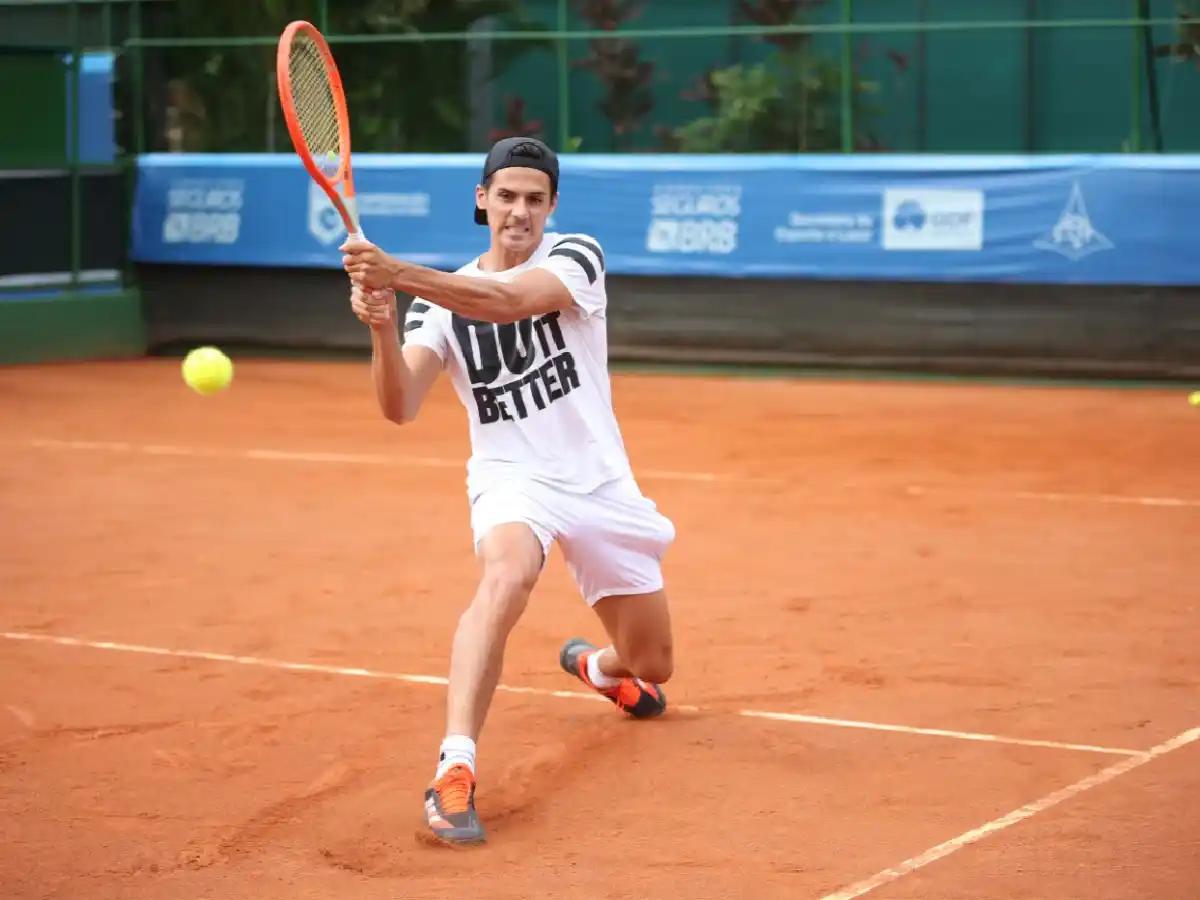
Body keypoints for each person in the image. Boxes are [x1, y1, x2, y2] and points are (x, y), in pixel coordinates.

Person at [340, 137, 676, 846]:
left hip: (600, 482)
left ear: (552, 207)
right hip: (511, 478)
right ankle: (453, 770)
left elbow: (505, 303)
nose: (519, 211)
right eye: (507, 195)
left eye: (534, 198)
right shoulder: (435, 307)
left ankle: (596, 665)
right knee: (506, 575)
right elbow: (399, 405)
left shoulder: (576, 257)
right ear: (481, 200)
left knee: (653, 665)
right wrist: (379, 327)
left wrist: (397, 273)